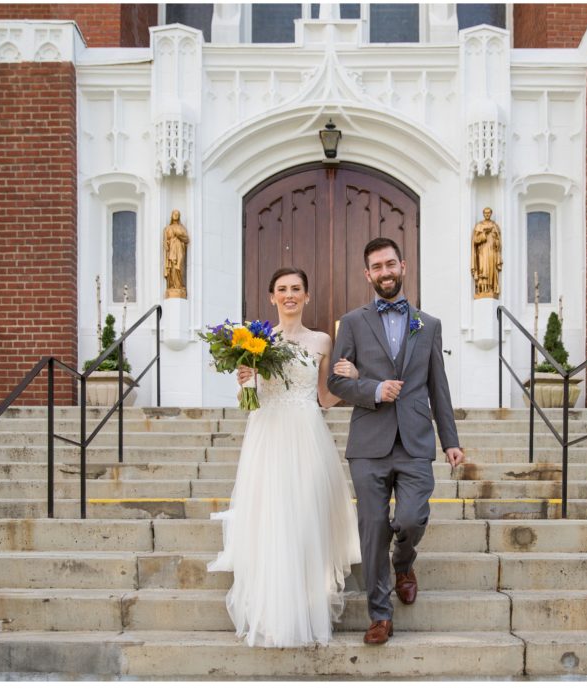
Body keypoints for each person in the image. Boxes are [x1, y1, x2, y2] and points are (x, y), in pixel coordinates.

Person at [207, 267, 362, 648]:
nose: (289, 295)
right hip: (268, 433)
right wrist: (245, 380)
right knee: (272, 516)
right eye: (282, 289)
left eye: (296, 289)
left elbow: (325, 398)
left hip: (308, 433)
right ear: (271, 297)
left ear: (307, 296)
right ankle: (275, 612)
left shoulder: (324, 340)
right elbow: (251, 401)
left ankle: (308, 606)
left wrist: (352, 379)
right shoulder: (254, 340)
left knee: (306, 515)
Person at [327, 237, 464, 645]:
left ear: (403, 267)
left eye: (391, 264)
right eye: (376, 267)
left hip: (416, 440)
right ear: (367, 274)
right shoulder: (352, 322)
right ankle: (380, 615)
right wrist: (371, 389)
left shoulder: (429, 324)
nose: (385, 272)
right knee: (372, 528)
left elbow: (438, 386)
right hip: (369, 442)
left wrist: (449, 440)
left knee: (409, 519)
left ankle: (404, 562)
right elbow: (334, 383)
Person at [470, 207, 502, 299]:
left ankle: (491, 288)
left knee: (491, 269)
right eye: (485, 213)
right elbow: (475, 240)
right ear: (483, 214)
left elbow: (498, 240)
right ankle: (482, 290)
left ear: (491, 214)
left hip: (492, 251)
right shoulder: (479, 225)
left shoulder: (494, 226)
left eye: (488, 213)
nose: (487, 215)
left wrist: (496, 242)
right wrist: (484, 234)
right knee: (483, 269)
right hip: (482, 252)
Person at [164, 209, 189, 298]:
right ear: (172, 215)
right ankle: (172, 286)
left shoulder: (182, 228)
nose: (176, 215)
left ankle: (180, 286)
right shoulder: (168, 228)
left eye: (177, 214)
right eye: (174, 213)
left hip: (180, 250)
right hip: (172, 251)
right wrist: (167, 244)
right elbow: (165, 241)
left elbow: (187, 239)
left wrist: (179, 236)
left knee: (179, 267)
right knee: (173, 268)